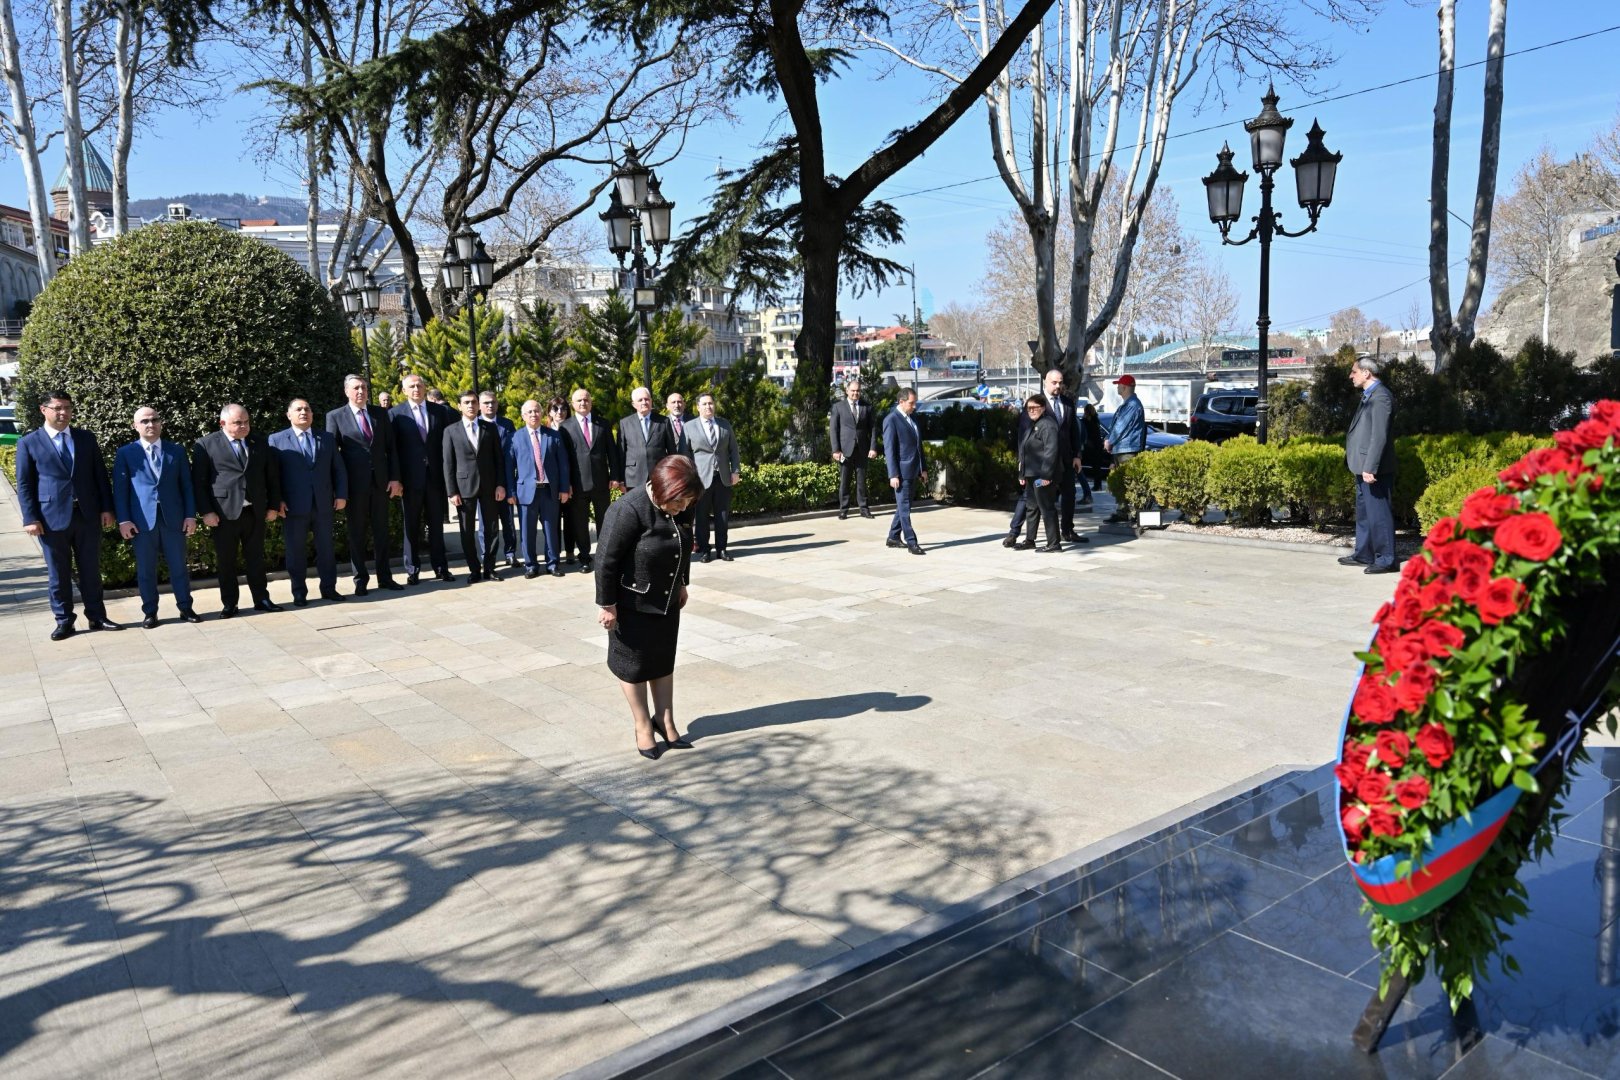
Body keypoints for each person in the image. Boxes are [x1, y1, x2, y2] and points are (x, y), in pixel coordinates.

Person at [595, 455, 702, 760]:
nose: (683, 509)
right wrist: (608, 605)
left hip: (666, 599)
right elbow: (605, 562)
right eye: (679, 502)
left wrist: (682, 582)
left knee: (662, 659)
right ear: (663, 489)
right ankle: (643, 725)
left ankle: (664, 720)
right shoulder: (628, 510)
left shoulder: (680, 507)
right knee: (633, 666)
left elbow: (683, 545)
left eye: (687, 503)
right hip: (631, 603)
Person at [16, 389, 120, 639]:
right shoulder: (29, 443)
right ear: (44, 410)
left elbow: (100, 476)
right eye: (58, 408)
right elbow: (25, 484)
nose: (64, 413)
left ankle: (97, 616)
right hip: (51, 519)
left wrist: (107, 508)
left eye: (68, 408)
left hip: (87, 515)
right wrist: (30, 518)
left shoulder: (85, 439)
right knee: (58, 573)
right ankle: (64, 620)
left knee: (90, 570)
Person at [113, 406, 201, 629]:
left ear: (161, 423)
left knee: (179, 566)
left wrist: (191, 515)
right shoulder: (125, 453)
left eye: (155, 420)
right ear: (135, 426)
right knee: (145, 569)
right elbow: (121, 490)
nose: (150, 424)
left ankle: (185, 607)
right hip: (141, 521)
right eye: (144, 421)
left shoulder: (176, 451)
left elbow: (187, 487)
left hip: (173, 518)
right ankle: (150, 612)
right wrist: (123, 520)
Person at [193, 404, 283, 616]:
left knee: (256, 558)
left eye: (246, 422)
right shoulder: (206, 444)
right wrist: (206, 511)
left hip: (255, 511)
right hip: (223, 514)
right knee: (226, 561)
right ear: (222, 423)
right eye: (238, 423)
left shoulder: (260, 443)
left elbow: (272, 478)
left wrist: (272, 506)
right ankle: (230, 603)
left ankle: (262, 598)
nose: (244, 426)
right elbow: (199, 482)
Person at [326, 374, 403, 594]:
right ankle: (360, 579)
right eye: (356, 388)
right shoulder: (335, 416)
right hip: (354, 485)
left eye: (364, 388)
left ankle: (385, 577)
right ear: (347, 392)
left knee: (382, 532)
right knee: (357, 533)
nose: (361, 392)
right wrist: (338, 488)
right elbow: (333, 455)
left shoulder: (380, 414)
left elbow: (392, 449)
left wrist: (395, 478)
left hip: (381, 483)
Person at [270, 399, 347, 607]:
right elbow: (272, 476)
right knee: (295, 551)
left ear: (312, 414)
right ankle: (299, 592)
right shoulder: (276, 440)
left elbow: (338, 469)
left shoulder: (327, 438)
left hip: (323, 504)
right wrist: (277, 500)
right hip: (293, 506)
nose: (303, 412)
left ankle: (329, 588)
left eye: (307, 409)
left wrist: (341, 495)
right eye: (298, 409)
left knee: (326, 549)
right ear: (289, 415)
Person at [390, 374, 454, 585]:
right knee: (411, 525)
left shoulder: (440, 412)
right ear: (404, 391)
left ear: (425, 388)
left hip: (435, 478)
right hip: (410, 480)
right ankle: (412, 569)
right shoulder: (396, 414)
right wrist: (396, 479)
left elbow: (446, 446)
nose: (416, 389)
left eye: (419, 385)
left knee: (437, 524)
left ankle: (441, 567)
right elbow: (393, 451)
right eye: (411, 386)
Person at [444, 391, 507, 582]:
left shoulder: (490, 428)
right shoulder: (451, 431)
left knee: (492, 529)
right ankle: (474, 569)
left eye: (473, 402)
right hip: (464, 488)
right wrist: (452, 491)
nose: (471, 405)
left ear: (478, 405)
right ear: (459, 406)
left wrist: (500, 484)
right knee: (466, 530)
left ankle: (490, 567)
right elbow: (448, 463)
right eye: (466, 402)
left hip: (489, 486)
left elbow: (499, 459)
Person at [506, 398, 572, 578]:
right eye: (530, 412)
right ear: (523, 416)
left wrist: (564, 488)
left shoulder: (553, 435)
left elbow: (563, 464)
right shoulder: (515, 437)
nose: (534, 414)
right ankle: (531, 565)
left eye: (536, 411)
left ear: (541, 413)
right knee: (527, 531)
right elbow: (508, 467)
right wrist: (511, 492)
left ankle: (553, 563)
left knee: (551, 529)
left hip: (549, 491)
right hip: (526, 493)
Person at [1345, 356, 1398, 574]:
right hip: (1362, 465)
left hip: (1373, 468)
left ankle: (1386, 559)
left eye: (1354, 371)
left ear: (1367, 373)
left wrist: (1370, 467)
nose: (1351, 376)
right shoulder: (1369, 396)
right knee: (1365, 513)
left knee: (1379, 514)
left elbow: (1379, 436)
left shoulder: (1381, 397)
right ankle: (1364, 553)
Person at [560, 388, 620, 571]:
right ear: (573, 404)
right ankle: (584, 557)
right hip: (577, 485)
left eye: (586, 400)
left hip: (601, 482)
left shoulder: (603, 424)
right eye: (579, 401)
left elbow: (612, 452)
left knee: (605, 520)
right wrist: (566, 483)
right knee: (580, 523)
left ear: (591, 402)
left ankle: (603, 556)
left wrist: (616, 476)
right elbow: (564, 458)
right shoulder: (565, 426)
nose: (583, 403)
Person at [689, 392, 740, 563]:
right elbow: (684, 455)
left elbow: (733, 450)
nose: (708, 407)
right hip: (701, 480)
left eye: (710, 403)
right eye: (704, 404)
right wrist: (689, 479)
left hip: (723, 477)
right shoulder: (689, 427)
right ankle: (704, 550)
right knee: (701, 517)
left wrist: (736, 471)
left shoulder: (724, 425)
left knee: (722, 516)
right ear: (698, 407)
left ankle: (722, 549)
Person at [1041, 368, 1085, 541]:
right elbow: (1026, 433)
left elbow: (1074, 431)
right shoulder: (1037, 402)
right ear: (1045, 381)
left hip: (1066, 459)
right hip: (1045, 461)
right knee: (1040, 498)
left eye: (1060, 382)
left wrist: (1077, 455)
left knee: (1070, 495)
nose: (1058, 386)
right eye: (1054, 382)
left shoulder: (1067, 402)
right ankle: (1031, 535)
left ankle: (1067, 530)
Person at [1015, 394, 1063, 552]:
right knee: (1031, 507)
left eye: (1035, 407)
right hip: (1031, 474)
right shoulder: (1033, 424)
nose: (1031, 411)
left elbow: (1051, 451)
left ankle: (1054, 543)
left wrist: (1046, 476)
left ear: (1043, 408)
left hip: (1043, 475)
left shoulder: (1047, 425)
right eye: (1029, 408)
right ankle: (1030, 539)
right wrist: (1022, 474)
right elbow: (1024, 450)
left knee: (1046, 507)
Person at [882, 387, 927, 555]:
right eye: (911, 403)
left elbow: (918, 446)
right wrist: (893, 474)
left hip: (913, 469)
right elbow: (889, 449)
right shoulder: (891, 420)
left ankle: (893, 536)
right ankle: (912, 542)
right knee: (905, 508)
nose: (914, 406)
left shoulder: (912, 418)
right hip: (901, 472)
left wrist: (924, 469)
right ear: (901, 402)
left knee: (903, 506)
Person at [478, 391, 519, 569]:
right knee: (486, 523)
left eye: (493, 402)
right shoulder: (475, 425)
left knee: (508, 520)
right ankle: (486, 555)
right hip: (483, 481)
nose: (490, 406)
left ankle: (510, 554)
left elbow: (514, 450)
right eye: (486, 403)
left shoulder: (507, 424)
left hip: (506, 478)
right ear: (480, 405)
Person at [829, 377, 876, 519]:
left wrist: (873, 448)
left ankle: (864, 508)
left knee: (862, 481)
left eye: (858, 391)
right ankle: (843, 509)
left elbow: (873, 429)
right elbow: (833, 429)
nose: (855, 393)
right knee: (845, 481)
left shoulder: (867, 407)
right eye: (853, 391)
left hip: (862, 449)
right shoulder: (838, 407)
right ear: (847, 391)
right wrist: (836, 450)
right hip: (845, 449)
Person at [1103, 374, 1147, 523]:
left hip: (1127, 449)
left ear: (1125, 387)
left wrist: (1110, 441)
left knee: (1129, 482)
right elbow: (1118, 425)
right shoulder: (1130, 404)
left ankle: (1133, 512)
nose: (1117, 387)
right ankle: (1124, 511)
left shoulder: (1132, 405)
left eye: (1119, 384)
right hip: (1123, 448)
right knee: (1123, 482)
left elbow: (1121, 426)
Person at [618, 385, 676, 491]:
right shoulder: (625, 423)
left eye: (647, 399)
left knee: (658, 506)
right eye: (640, 400)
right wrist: (621, 480)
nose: (644, 402)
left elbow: (672, 450)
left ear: (651, 401)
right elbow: (621, 453)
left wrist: (672, 473)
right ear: (633, 404)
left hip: (658, 473)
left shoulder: (663, 421)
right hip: (633, 476)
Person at [547, 398, 580, 561]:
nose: (560, 412)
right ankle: (554, 553)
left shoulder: (572, 429)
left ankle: (569, 551)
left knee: (570, 518)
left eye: (563, 408)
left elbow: (572, 459)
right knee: (552, 519)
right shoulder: (544, 430)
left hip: (569, 482)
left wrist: (569, 483)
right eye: (555, 408)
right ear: (549, 412)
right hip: (549, 484)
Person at [1079, 401, 1107, 507]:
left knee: (1083, 467)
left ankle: (1094, 486)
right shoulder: (1096, 420)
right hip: (1097, 446)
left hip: (1089, 446)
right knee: (1097, 467)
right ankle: (1097, 484)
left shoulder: (1084, 421)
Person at [666, 392, 695, 461]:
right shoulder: (662, 423)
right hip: (671, 463)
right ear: (667, 406)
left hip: (691, 463)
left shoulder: (694, 421)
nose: (677, 405)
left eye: (679, 402)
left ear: (684, 405)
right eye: (673, 402)